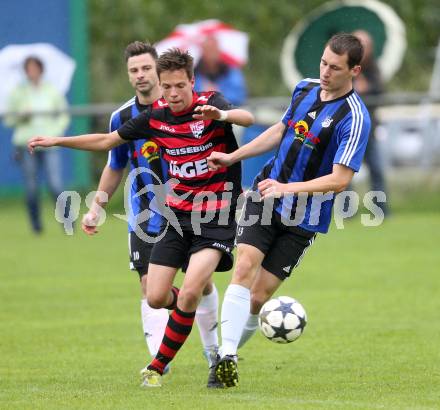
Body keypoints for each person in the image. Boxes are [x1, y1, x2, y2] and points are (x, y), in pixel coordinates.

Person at [28, 48, 255, 388]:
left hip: (215, 215)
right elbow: (108, 143)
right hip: (176, 218)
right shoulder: (154, 116)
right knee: (155, 296)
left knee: (193, 289)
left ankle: (163, 364)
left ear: (192, 81)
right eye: (168, 87)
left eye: (180, 85)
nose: (174, 93)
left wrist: (221, 116)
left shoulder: (211, 102)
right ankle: (187, 317)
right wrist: (59, 140)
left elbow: (247, 118)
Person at [207, 33, 371, 388]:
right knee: (244, 267)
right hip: (266, 197)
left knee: (259, 297)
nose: (325, 72)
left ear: (354, 70)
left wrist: (288, 188)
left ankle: (222, 353)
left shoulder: (355, 118)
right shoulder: (304, 89)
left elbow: (340, 180)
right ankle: (227, 359)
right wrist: (234, 156)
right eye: (324, 62)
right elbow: (280, 131)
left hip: (304, 218)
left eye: (335, 67)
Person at [81, 42, 221, 385]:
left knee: (200, 285)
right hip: (146, 214)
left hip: (191, 210)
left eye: (146, 68)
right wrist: (96, 206)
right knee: (149, 288)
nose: (140, 75)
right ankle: (159, 358)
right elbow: (115, 165)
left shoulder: (187, 108)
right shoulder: (124, 118)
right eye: (134, 70)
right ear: (128, 75)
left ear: (158, 70)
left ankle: (213, 350)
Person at [4, 56, 70, 233]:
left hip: (50, 144)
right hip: (27, 145)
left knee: (55, 185)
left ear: (41, 69)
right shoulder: (18, 92)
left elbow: (63, 114)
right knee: (31, 189)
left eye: (35, 67)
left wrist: (56, 132)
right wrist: (20, 115)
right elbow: (8, 120)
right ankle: (36, 226)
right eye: (28, 68)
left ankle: (67, 222)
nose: (31, 71)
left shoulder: (51, 90)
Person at [352, 30, 389, 216]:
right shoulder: (344, 67)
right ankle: (346, 211)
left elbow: (380, 91)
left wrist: (367, 88)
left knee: (376, 169)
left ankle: (380, 210)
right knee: (343, 172)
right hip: (347, 129)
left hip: (368, 128)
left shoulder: (373, 69)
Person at [194, 35, 247, 106]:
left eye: (213, 49)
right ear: (202, 52)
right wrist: (203, 94)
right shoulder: (194, 73)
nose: (211, 54)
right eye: (208, 49)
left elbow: (239, 96)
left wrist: (218, 95)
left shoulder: (231, 71)